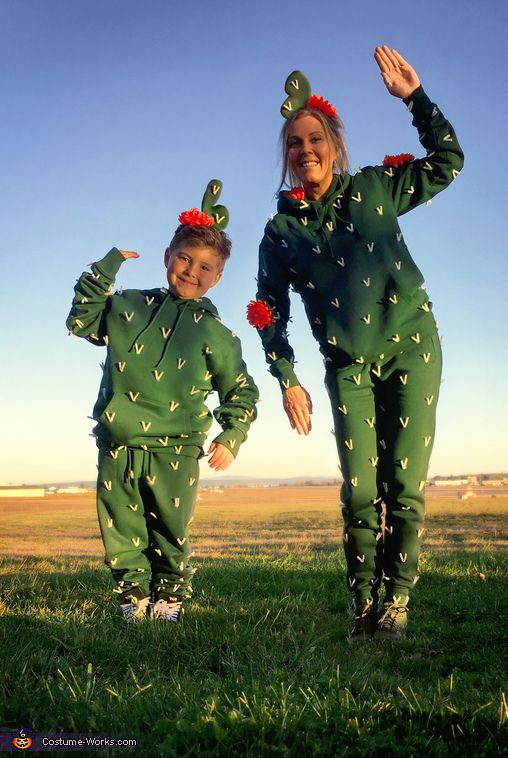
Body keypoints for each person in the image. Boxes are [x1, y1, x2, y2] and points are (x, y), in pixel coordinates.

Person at [250, 46, 463, 641]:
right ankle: (363, 605)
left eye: (315, 138)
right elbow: (269, 309)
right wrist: (286, 376)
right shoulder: (281, 232)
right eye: (294, 143)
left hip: (411, 348)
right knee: (361, 491)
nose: (306, 150)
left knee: (405, 485)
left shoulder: (375, 188)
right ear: (287, 158)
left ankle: (395, 605)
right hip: (346, 366)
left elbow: (448, 161)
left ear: (334, 146)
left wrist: (414, 99)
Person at [67, 180, 258, 622]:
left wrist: (232, 434)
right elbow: (81, 321)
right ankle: (132, 600)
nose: (192, 271)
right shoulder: (127, 307)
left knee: (170, 528)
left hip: (177, 447)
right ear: (168, 258)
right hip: (119, 441)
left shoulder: (217, 335)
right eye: (185, 259)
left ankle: (169, 599)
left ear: (219, 277)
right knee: (121, 526)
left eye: (205, 267)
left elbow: (241, 389)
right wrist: (104, 270)